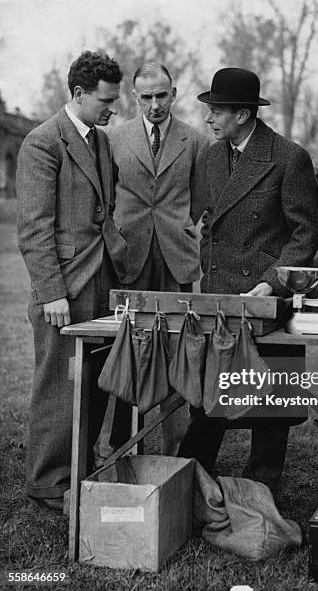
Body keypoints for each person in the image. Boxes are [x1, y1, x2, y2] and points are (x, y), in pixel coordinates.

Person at [178, 67, 318, 492]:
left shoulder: (288, 157)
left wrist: (272, 282)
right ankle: (191, 481)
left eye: (216, 111)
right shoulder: (210, 156)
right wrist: (207, 267)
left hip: (265, 297)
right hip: (221, 296)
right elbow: (207, 221)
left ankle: (262, 488)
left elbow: (306, 233)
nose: (208, 119)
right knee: (211, 395)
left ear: (243, 114)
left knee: (271, 396)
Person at [16, 51, 126, 511]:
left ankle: (78, 473)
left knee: (95, 383)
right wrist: (52, 293)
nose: (112, 109)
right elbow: (34, 228)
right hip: (63, 288)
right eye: (105, 100)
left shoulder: (99, 141)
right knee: (59, 387)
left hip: (101, 278)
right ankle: (47, 483)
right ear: (78, 93)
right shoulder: (42, 143)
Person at [109, 62, 208, 454]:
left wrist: (180, 228)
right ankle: (120, 444)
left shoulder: (195, 141)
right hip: (128, 258)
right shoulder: (114, 139)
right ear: (134, 98)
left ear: (174, 93)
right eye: (146, 97)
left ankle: (177, 449)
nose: (154, 105)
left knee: (178, 349)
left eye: (161, 96)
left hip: (176, 258)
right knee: (126, 349)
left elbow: (201, 200)